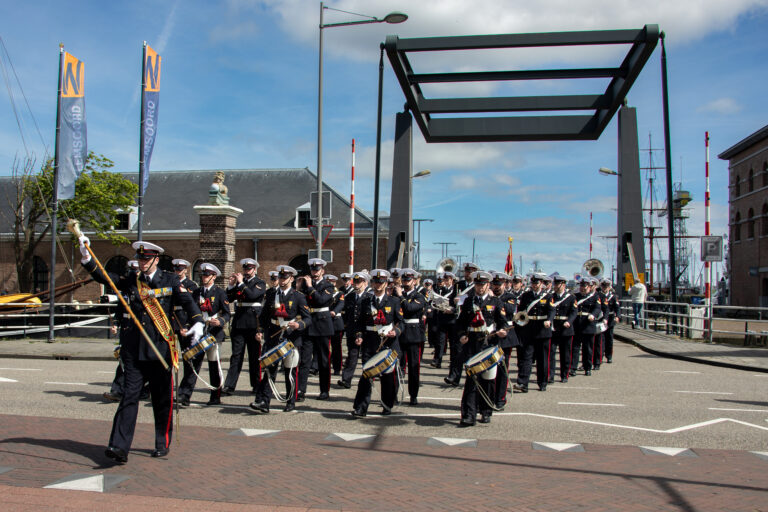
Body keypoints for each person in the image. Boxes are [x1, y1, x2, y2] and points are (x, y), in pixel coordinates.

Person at [79, 238, 203, 463]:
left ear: (156, 259)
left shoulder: (170, 279)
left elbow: (187, 301)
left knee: (162, 398)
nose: (142, 262)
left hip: (159, 348)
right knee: (129, 396)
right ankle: (119, 446)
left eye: (146, 258)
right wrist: (87, 257)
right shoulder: (133, 280)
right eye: (140, 258)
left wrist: (198, 322)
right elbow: (107, 278)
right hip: (134, 349)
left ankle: (161, 441)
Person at [250, 265, 312, 413]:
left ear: (291, 278)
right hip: (273, 335)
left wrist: (299, 324)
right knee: (270, 370)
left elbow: (308, 318)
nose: (282, 280)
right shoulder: (271, 294)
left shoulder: (298, 296)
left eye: (285, 278)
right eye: (280, 277)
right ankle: (264, 402)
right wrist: (259, 331)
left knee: (290, 371)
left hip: (290, 337)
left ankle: (290, 401)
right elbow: (264, 316)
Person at [456, 270, 507, 426]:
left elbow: (503, 321)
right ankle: (468, 414)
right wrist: (461, 335)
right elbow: (460, 323)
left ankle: (486, 411)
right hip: (472, 344)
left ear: (488, 285)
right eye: (477, 284)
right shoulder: (468, 301)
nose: (480, 287)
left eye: (482, 285)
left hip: (488, 343)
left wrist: (502, 331)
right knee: (471, 380)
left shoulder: (496, 302)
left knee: (488, 380)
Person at [351, 269, 403, 418]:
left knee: (387, 377)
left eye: (381, 282)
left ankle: (387, 405)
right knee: (367, 374)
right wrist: (359, 335)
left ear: (386, 283)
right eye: (375, 282)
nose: (378, 285)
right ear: (372, 283)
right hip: (370, 341)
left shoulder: (394, 301)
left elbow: (401, 322)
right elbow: (359, 323)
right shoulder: (365, 301)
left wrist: (396, 332)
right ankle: (361, 408)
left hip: (388, 342)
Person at [178, 263, 230, 406]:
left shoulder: (219, 292)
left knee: (214, 365)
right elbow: (191, 312)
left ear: (214, 277)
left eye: (207, 275)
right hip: (198, 331)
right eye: (203, 275)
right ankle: (185, 395)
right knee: (193, 364)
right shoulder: (197, 292)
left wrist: (220, 321)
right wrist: (186, 327)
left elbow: (226, 313)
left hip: (213, 333)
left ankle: (215, 395)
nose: (204, 278)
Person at [223, 258, 266, 395]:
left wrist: (240, 283)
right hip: (239, 322)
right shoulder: (239, 284)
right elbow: (228, 299)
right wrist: (230, 286)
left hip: (254, 323)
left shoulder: (260, 283)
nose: (246, 271)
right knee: (236, 356)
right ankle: (230, 385)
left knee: (254, 356)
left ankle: (256, 384)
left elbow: (252, 295)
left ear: (254, 269)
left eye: (249, 269)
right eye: (245, 269)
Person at [297, 258, 335, 401]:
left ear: (322, 271)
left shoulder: (328, 285)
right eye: (313, 270)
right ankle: (301, 390)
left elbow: (320, 300)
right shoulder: (306, 285)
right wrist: (299, 288)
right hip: (308, 324)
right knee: (305, 360)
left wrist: (309, 286)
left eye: (317, 270)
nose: (314, 272)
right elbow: (297, 301)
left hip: (323, 325)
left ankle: (324, 390)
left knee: (324, 360)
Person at [513, 273, 554, 393]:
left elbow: (551, 310)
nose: (535, 285)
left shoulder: (547, 296)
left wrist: (549, 320)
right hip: (529, 330)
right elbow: (521, 311)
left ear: (541, 283)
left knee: (542, 359)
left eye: (537, 283)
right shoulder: (526, 296)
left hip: (542, 330)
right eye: (533, 283)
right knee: (526, 357)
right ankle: (522, 383)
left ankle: (542, 382)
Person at [393, 268, 427, 405]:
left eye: (409, 280)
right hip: (400, 334)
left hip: (414, 335)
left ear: (414, 281)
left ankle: (413, 395)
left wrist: (401, 296)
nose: (406, 282)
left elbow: (409, 309)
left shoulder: (419, 296)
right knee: (396, 366)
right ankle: (393, 393)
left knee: (414, 367)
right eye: (404, 280)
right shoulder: (396, 295)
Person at [491, 272, 518, 409]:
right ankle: (489, 397)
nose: (496, 287)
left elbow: (509, 309)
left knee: (502, 369)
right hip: (491, 334)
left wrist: (495, 299)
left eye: (499, 285)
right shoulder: (488, 297)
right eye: (494, 285)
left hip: (505, 335)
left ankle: (500, 398)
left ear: (505, 285)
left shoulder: (510, 297)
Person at [338, 271, 370, 389]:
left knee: (366, 357)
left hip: (366, 332)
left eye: (359, 282)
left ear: (365, 283)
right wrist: (346, 325)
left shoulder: (369, 297)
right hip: (352, 330)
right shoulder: (349, 297)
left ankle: (368, 379)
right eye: (355, 282)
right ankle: (346, 379)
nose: (356, 284)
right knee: (352, 355)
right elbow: (345, 314)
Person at [570, 277, 603, 376]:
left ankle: (587, 367)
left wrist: (593, 315)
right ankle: (573, 368)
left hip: (588, 325)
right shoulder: (575, 297)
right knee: (575, 348)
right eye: (581, 286)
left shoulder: (595, 297)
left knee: (587, 348)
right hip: (576, 325)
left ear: (589, 287)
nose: (582, 288)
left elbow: (597, 308)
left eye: (584, 286)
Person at [549, 275, 577, 383]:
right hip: (553, 328)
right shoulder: (551, 297)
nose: (555, 286)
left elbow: (574, 312)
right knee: (551, 354)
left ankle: (564, 375)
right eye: (554, 284)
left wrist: (569, 322)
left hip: (566, 329)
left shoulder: (571, 297)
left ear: (563, 285)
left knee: (565, 354)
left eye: (557, 284)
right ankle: (550, 376)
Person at [326, 274, 346, 376]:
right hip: (324, 322)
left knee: (337, 347)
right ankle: (324, 367)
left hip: (336, 322)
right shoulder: (323, 293)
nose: (330, 283)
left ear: (335, 283)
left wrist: (334, 311)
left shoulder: (339, 293)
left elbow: (341, 304)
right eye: (328, 281)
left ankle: (337, 368)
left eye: (332, 282)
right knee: (325, 347)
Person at [600, 278, 620, 364]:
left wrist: (617, 316)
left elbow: (617, 308)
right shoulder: (599, 296)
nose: (605, 288)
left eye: (606, 287)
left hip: (610, 318)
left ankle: (609, 356)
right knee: (601, 339)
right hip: (601, 318)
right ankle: (600, 356)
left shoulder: (613, 297)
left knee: (609, 339)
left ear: (609, 287)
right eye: (603, 286)